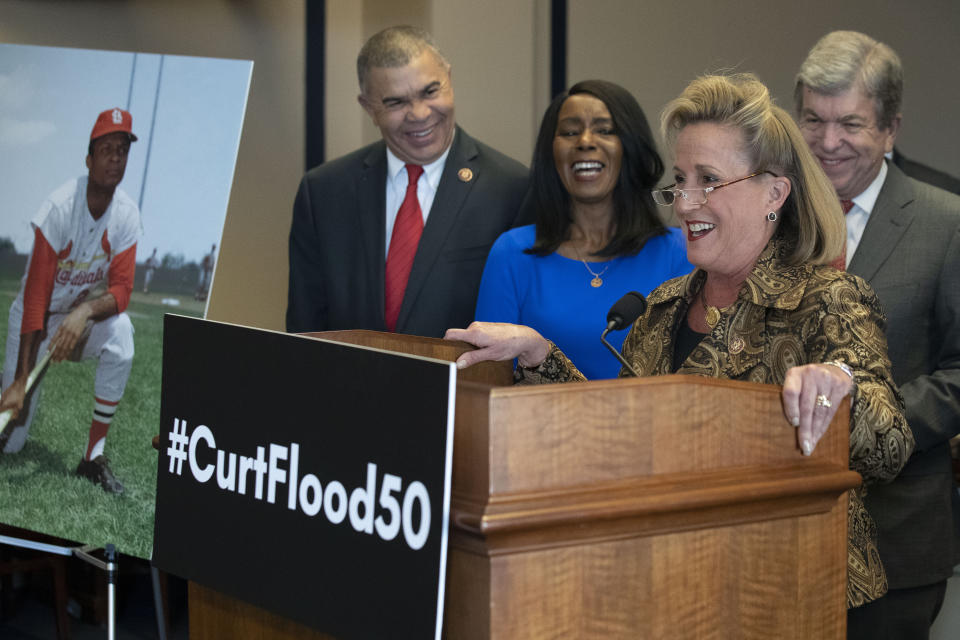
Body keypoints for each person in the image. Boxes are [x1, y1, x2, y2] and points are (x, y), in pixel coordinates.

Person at [446, 73, 914, 611]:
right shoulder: (665, 305)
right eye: (680, 180)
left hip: (794, 598)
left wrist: (842, 386)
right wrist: (539, 354)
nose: (686, 202)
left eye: (709, 180)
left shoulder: (826, 298)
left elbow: (892, 444)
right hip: (678, 592)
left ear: (774, 192)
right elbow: (620, 437)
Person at [795, 30, 960, 638]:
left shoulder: (948, 223)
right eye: (813, 119)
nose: (829, 142)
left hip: (897, 540)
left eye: (852, 124)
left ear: (891, 128)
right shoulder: (766, 219)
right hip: (779, 534)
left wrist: (864, 419)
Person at [286, 25, 529, 338]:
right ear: (368, 107)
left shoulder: (511, 187)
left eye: (430, 92)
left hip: (465, 384)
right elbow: (305, 330)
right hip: (349, 384)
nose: (418, 114)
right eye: (395, 103)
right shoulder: (323, 192)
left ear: (449, 81)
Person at [475, 80, 692, 379]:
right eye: (569, 132)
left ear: (630, 148)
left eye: (604, 130)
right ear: (551, 153)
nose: (585, 141)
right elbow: (488, 381)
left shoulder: (682, 252)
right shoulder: (512, 253)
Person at [0, 108, 141, 495]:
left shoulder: (126, 214)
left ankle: (92, 458)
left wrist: (83, 312)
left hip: (78, 322)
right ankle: (5, 384)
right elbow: (35, 299)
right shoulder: (61, 207)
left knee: (122, 335)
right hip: (36, 322)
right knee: (11, 440)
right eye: (107, 149)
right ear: (89, 158)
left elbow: (123, 290)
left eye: (123, 150)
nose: (116, 157)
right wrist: (19, 382)